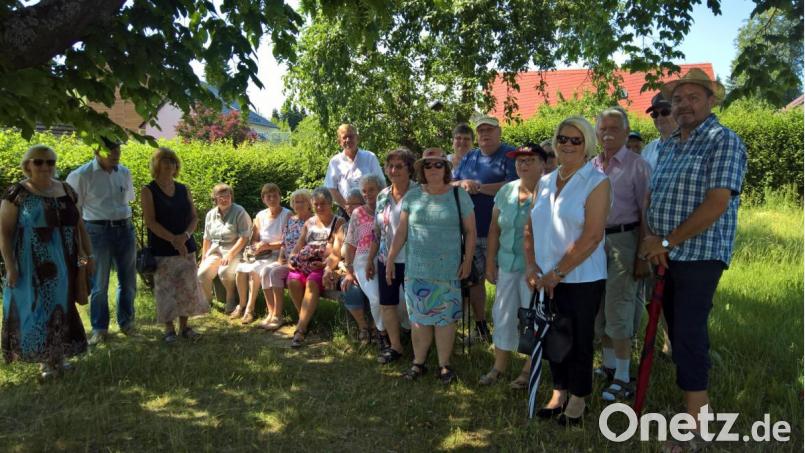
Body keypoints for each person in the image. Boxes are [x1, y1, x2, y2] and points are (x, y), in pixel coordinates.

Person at [639, 68, 746, 448]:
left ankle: (698, 428)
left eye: (693, 97)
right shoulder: (669, 144)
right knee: (675, 331)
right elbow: (656, 196)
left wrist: (666, 242)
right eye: (678, 99)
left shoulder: (722, 140)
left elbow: (717, 203)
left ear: (711, 100)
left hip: (698, 255)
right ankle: (691, 410)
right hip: (664, 253)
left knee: (687, 333)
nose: (683, 104)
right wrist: (654, 240)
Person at [525, 116, 610, 426]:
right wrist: (531, 265)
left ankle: (578, 397)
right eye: (563, 138)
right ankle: (558, 391)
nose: (568, 145)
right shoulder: (544, 181)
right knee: (553, 337)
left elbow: (591, 236)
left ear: (587, 144)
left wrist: (557, 273)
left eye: (576, 140)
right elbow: (530, 227)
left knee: (579, 339)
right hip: (545, 277)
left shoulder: (596, 182)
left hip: (581, 278)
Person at [386, 148, 476, 384]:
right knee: (419, 320)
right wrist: (390, 258)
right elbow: (401, 232)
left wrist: (467, 260)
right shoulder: (413, 197)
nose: (433, 169)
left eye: (438, 165)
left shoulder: (459, 195)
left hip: (449, 270)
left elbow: (471, 232)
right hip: (417, 270)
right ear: (421, 170)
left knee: (445, 320)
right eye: (428, 165)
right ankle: (418, 362)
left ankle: (444, 366)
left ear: (446, 169)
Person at [1, 145, 89, 378]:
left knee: (62, 306)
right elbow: (4, 233)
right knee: (40, 308)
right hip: (32, 262)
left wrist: (87, 255)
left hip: (66, 259)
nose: (45, 167)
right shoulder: (17, 193)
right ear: (28, 164)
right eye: (38, 162)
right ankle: (45, 362)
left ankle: (58, 357)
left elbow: (79, 225)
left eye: (50, 162)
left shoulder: (67, 190)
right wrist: (10, 266)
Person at [591, 107, 651, 402]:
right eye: (603, 128)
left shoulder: (637, 166)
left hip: (625, 240)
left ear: (627, 133)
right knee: (600, 307)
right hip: (595, 242)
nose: (608, 133)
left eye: (615, 128)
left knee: (619, 307)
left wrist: (642, 254)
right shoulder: (592, 165)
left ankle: (625, 377)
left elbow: (646, 212)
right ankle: (609, 366)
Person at [480, 143, 547, 388]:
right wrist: (490, 262)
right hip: (507, 264)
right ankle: (499, 366)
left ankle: (528, 369)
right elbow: (494, 229)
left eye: (530, 160)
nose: (523, 164)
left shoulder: (549, 191)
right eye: (519, 160)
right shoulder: (506, 191)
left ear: (543, 163)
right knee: (502, 315)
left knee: (532, 317)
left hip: (536, 267)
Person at [452, 115, 517, 342]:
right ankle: (481, 328)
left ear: (499, 132)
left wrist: (478, 187)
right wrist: (463, 184)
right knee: (475, 281)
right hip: (471, 232)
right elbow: (452, 183)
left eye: (489, 130)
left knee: (503, 281)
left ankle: (508, 330)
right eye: (480, 132)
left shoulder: (510, 155)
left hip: (500, 232)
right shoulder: (470, 156)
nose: (485, 135)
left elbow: (513, 186)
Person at [66, 138, 136, 345]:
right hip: (96, 232)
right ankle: (99, 328)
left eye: (118, 148)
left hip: (125, 229)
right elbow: (73, 213)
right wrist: (80, 245)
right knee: (99, 283)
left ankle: (127, 322)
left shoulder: (124, 172)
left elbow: (128, 201)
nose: (116, 153)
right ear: (96, 150)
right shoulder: (81, 175)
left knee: (129, 282)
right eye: (110, 150)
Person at [141, 148, 208, 343]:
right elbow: (150, 222)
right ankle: (169, 330)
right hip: (162, 249)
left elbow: (194, 217)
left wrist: (184, 237)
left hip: (186, 247)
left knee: (187, 288)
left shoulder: (183, 188)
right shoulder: (148, 190)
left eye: (172, 160)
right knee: (166, 290)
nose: (170, 164)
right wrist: (174, 240)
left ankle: (185, 327)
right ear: (157, 164)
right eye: (165, 160)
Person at [370, 147, 416, 364]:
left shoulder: (420, 193)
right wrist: (372, 258)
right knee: (387, 304)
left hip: (414, 260)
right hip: (384, 259)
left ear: (409, 169)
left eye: (399, 166)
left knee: (414, 306)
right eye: (390, 166)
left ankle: (420, 350)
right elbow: (376, 231)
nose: (394, 170)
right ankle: (395, 347)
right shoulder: (382, 195)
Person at [286, 187, 345, 348]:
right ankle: (305, 320)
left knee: (312, 282)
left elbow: (337, 252)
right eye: (316, 204)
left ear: (330, 204)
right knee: (292, 280)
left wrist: (325, 264)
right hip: (304, 263)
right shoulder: (309, 222)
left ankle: (300, 329)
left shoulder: (338, 222)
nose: (319, 208)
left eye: (323, 204)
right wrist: (292, 258)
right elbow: (299, 245)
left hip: (322, 265)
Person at [233, 184, 291, 324]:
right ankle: (241, 304)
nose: (272, 198)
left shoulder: (287, 214)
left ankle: (250, 309)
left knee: (254, 271)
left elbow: (288, 240)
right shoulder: (260, 215)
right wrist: (256, 246)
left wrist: (268, 246)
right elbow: (254, 238)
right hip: (261, 254)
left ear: (280, 196)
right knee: (240, 270)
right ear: (263, 199)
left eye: (275, 195)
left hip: (279, 254)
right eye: (268, 196)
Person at [324, 189, 374, 344]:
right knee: (351, 288)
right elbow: (335, 255)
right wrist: (327, 269)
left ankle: (378, 329)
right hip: (347, 271)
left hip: (369, 269)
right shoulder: (343, 228)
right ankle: (364, 328)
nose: (349, 208)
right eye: (347, 205)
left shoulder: (372, 224)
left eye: (354, 204)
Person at [260, 189, 313, 330]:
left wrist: (293, 260)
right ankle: (271, 313)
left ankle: (278, 316)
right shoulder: (292, 220)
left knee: (274, 273)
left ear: (309, 203)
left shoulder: (313, 221)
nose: (298, 204)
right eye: (295, 201)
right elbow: (284, 242)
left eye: (301, 201)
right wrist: (280, 258)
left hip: (303, 262)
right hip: (288, 261)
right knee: (266, 271)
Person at [342, 176, 385, 343]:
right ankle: (381, 333)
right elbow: (350, 244)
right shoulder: (357, 213)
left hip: (388, 259)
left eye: (371, 189)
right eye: (364, 191)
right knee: (376, 298)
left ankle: (386, 330)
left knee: (399, 298)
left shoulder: (389, 208)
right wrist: (349, 272)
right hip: (363, 261)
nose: (367, 194)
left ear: (381, 189)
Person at [197, 183, 252, 313]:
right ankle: (207, 301)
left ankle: (230, 298)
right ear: (215, 198)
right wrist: (204, 257)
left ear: (231, 196)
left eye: (227, 196)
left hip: (234, 249)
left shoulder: (239, 211)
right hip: (215, 250)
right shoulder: (210, 214)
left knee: (224, 272)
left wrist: (230, 254)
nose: (224, 199)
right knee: (202, 273)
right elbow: (207, 238)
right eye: (220, 196)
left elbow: (244, 237)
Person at [324, 123, 385, 212]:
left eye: (351, 136)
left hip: (371, 210)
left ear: (357, 138)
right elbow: (330, 188)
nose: (348, 140)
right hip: (345, 211)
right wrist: (347, 207)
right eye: (344, 137)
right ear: (339, 141)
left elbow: (381, 184)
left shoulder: (370, 157)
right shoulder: (335, 162)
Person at [642, 92, 679, 172]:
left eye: (665, 112)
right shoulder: (647, 150)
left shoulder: (689, 146)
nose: (659, 117)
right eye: (655, 114)